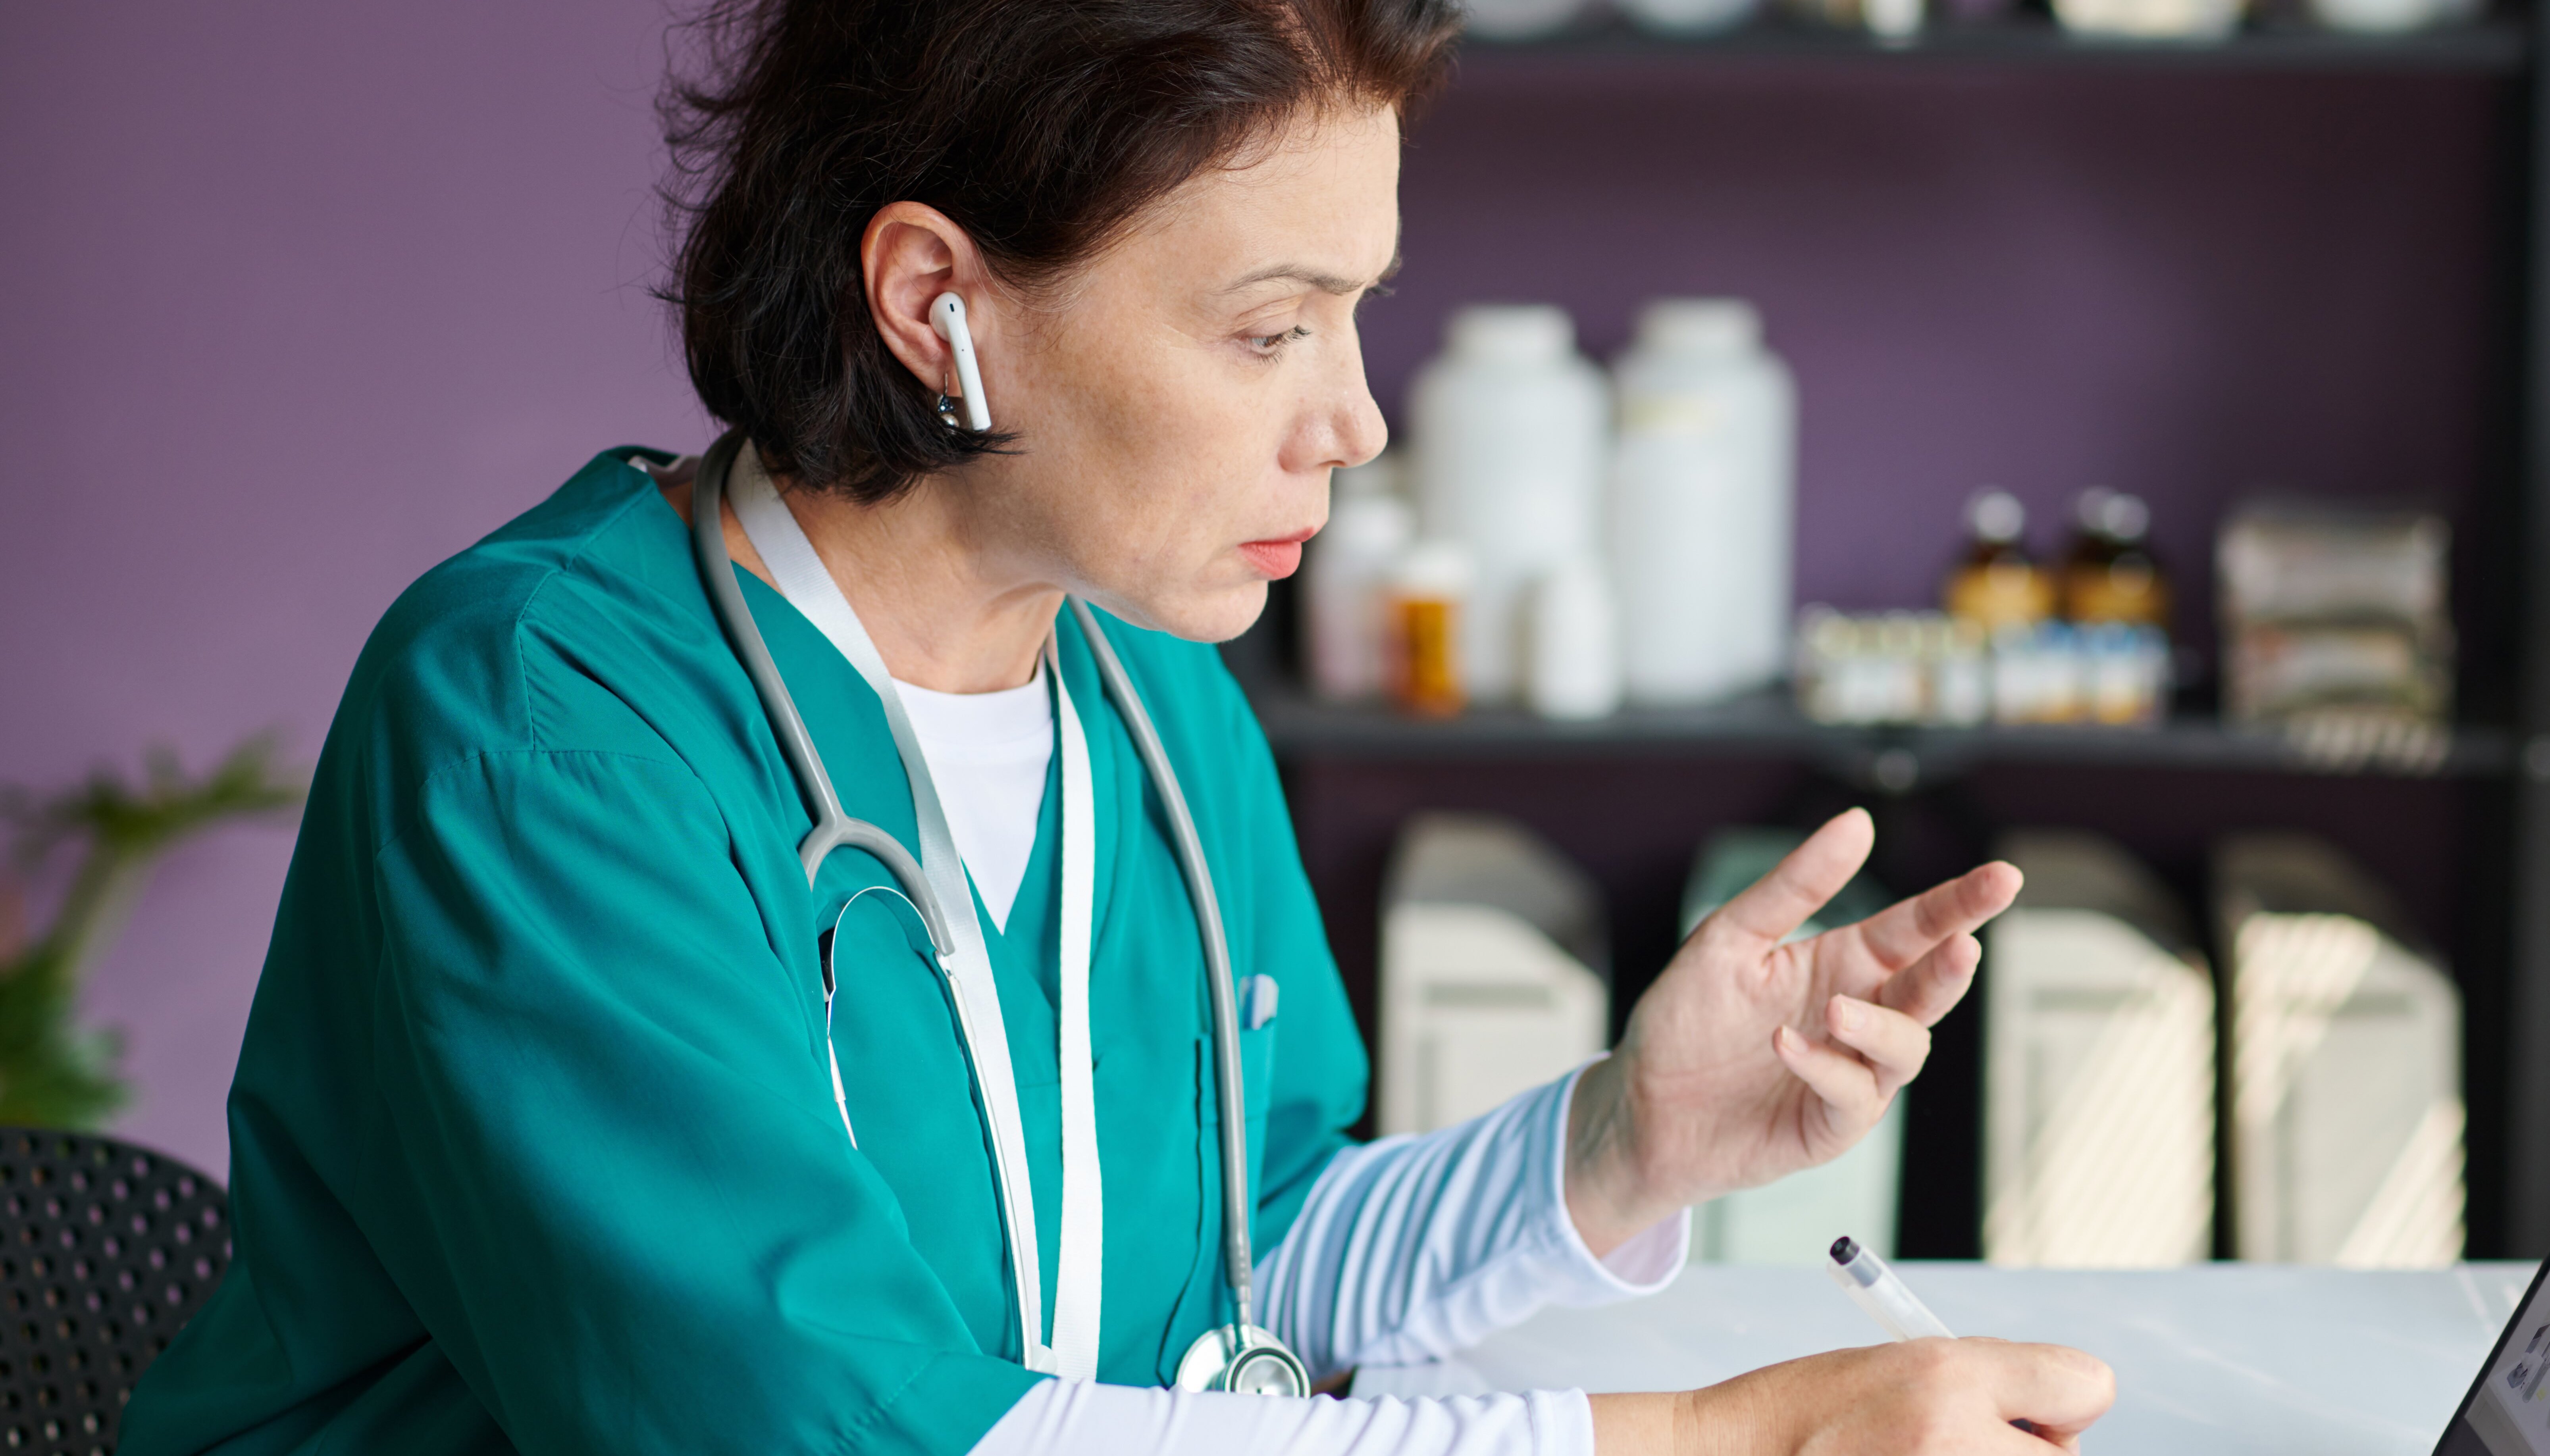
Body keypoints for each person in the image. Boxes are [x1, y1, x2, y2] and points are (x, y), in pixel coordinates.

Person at [116, 0, 2115, 1452]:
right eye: (1269, 329)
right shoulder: (544, 724)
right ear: (935, 305)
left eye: (1358, 312)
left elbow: (1249, 1265)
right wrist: (1722, 1443)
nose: (1356, 419)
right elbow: (838, 1436)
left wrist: (1619, 1144)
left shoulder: (1148, 693)